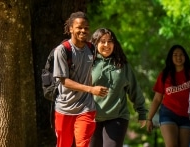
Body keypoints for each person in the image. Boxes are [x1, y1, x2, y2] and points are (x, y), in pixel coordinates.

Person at [53, 11, 109, 147]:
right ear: (71, 28)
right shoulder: (62, 50)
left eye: (86, 27)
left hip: (86, 107)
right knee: (63, 145)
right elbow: (64, 81)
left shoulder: (92, 49)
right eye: (79, 27)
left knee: (83, 144)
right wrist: (91, 89)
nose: (83, 30)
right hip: (64, 108)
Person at [89, 28, 148, 147]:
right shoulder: (87, 63)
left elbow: (134, 89)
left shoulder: (122, 65)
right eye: (102, 41)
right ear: (95, 43)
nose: (107, 45)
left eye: (110, 41)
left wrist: (142, 112)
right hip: (91, 117)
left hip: (117, 117)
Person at [147, 45, 190, 147]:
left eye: (181, 55)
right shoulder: (164, 75)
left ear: (185, 57)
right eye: (175, 55)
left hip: (187, 115)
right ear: (171, 57)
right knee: (172, 145)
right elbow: (157, 99)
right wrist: (149, 118)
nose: (178, 57)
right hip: (168, 114)